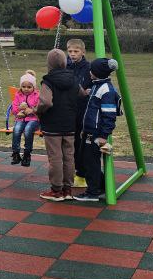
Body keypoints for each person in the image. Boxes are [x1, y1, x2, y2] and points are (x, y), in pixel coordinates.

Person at [36, 49, 81, 202]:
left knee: (55, 157)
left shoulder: (48, 81)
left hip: (52, 125)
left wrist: (39, 111)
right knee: (69, 156)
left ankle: (56, 190)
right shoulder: (73, 79)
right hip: (69, 124)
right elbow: (81, 93)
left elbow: (46, 102)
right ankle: (68, 189)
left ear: (49, 63)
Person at [73, 58, 120, 202]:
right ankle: (100, 186)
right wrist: (84, 129)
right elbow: (90, 111)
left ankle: (92, 192)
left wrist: (104, 135)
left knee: (91, 161)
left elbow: (109, 115)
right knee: (86, 159)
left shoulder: (106, 90)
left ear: (97, 73)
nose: (89, 72)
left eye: (91, 70)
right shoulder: (96, 86)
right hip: (89, 131)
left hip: (96, 133)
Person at [65, 39, 92, 181]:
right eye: (70, 51)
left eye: (76, 51)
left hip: (83, 108)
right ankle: (73, 168)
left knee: (82, 140)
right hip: (69, 108)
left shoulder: (88, 67)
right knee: (71, 140)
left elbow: (91, 84)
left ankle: (82, 170)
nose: (72, 54)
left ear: (83, 52)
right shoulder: (66, 66)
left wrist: (89, 91)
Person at [10, 70, 40, 166]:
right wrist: (18, 110)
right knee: (17, 129)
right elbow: (14, 108)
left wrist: (30, 109)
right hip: (20, 119)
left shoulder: (37, 95)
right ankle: (16, 153)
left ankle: (27, 154)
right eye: (23, 87)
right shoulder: (18, 95)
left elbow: (39, 108)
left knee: (28, 130)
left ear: (33, 87)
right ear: (20, 87)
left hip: (33, 120)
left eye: (29, 87)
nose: (26, 89)